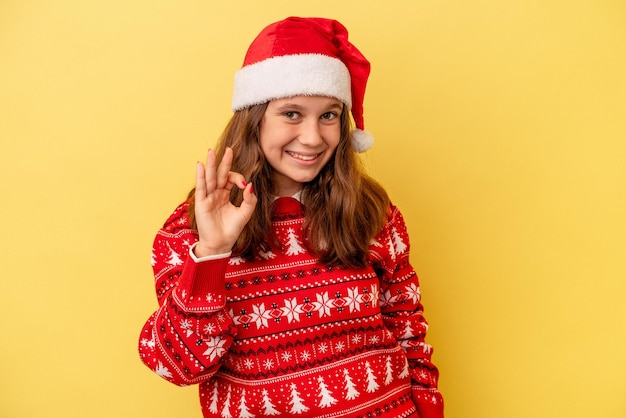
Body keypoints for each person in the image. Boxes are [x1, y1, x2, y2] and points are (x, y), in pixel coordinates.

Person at [138, 16, 444, 418]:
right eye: (292, 114)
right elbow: (177, 366)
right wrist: (212, 253)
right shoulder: (193, 229)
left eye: (329, 115)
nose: (314, 138)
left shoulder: (370, 211)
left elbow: (408, 329)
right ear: (255, 118)